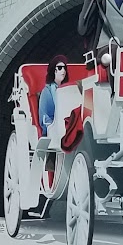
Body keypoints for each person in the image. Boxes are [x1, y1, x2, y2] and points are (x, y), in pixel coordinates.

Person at [38, 55, 71, 185]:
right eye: (60, 67)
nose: (63, 71)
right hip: (53, 125)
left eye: (64, 68)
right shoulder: (47, 91)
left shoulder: (67, 89)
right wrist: (52, 126)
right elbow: (44, 115)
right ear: (54, 70)